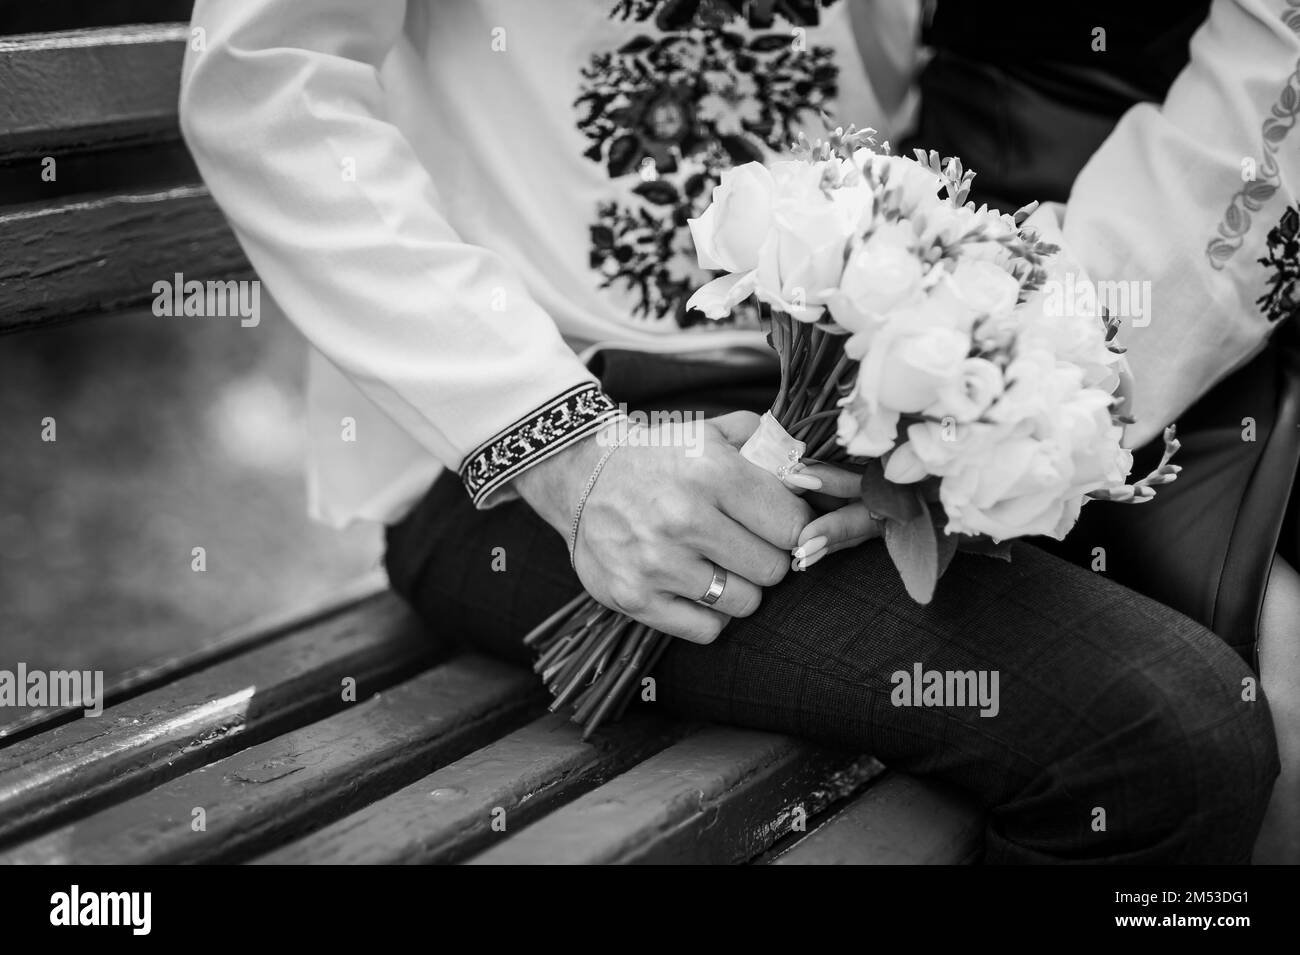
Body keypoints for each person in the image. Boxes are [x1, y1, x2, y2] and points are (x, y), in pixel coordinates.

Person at [180, 0, 1286, 862]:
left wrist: (979, 387)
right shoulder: (547, 443)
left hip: (859, 399)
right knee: (1159, 739)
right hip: (524, 450)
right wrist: (560, 446)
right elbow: (267, 79)